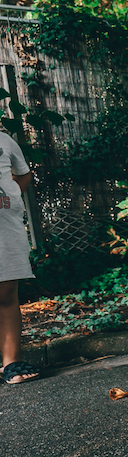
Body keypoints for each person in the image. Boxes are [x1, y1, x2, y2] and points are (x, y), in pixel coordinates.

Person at [0, 129, 37, 383]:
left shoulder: (4, 140)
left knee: (6, 294)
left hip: (5, 230)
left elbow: (24, 174)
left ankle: (10, 363)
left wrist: (11, 193)